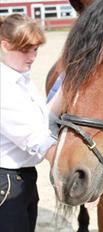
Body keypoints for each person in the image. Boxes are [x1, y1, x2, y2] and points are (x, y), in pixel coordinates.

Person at [0, 14, 58, 232]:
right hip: (7, 182)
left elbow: (43, 120)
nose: (33, 57)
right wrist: (65, 167)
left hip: (25, 177)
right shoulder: (3, 86)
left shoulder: (22, 79)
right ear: (6, 46)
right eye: (26, 50)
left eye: (36, 49)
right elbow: (33, 138)